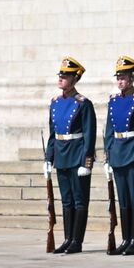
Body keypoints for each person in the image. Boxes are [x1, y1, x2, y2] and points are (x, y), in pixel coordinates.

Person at [44, 57, 96, 254]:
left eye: (65, 76)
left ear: (74, 80)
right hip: (61, 155)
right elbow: (52, 133)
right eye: (60, 75)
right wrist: (49, 159)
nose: (61, 79)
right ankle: (67, 238)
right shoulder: (55, 103)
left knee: (79, 199)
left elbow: (89, 135)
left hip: (76, 156)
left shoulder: (83, 104)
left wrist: (87, 161)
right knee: (66, 199)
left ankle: (77, 240)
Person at [103, 56, 134, 255]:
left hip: (132, 150)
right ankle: (126, 238)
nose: (120, 81)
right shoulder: (113, 101)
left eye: (124, 77)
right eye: (118, 77)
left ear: (132, 79)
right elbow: (109, 131)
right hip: (118, 152)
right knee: (123, 200)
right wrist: (108, 156)